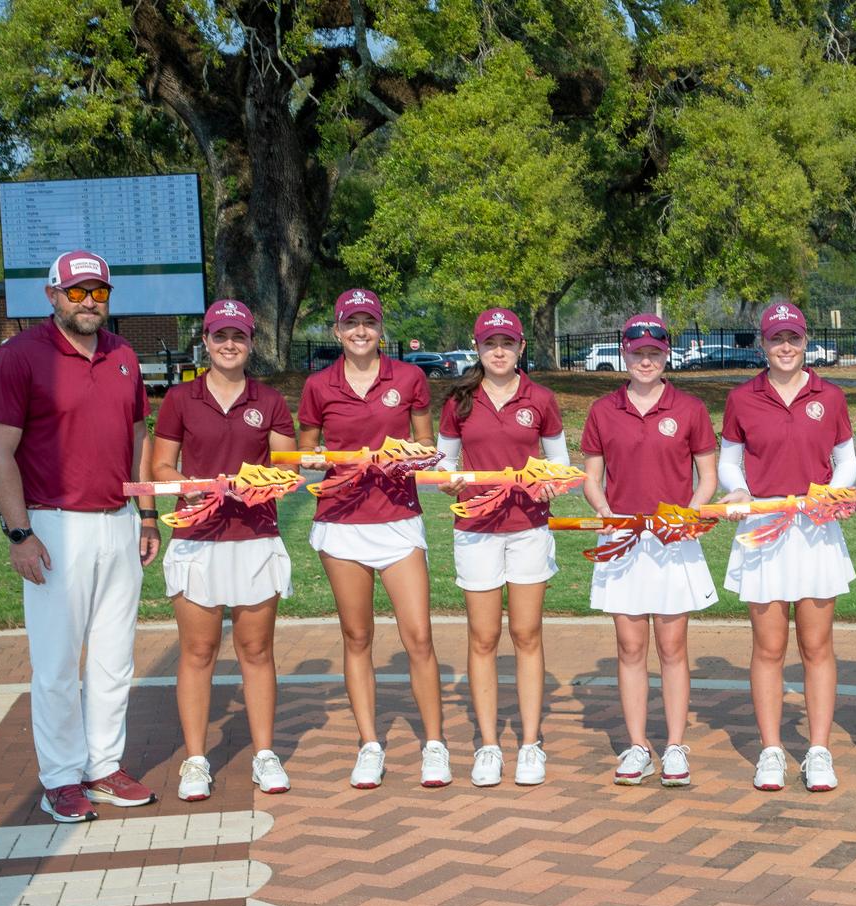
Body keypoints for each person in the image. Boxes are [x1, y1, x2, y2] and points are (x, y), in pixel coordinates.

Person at [0, 250, 161, 823]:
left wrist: (147, 514)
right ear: (52, 295)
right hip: (54, 524)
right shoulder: (19, 356)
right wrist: (19, 533)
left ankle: (102, 766)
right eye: (76, 291)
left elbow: (139, 440)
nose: (88, 302)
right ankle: (60, 777)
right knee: (57, 664)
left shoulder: (123, 355)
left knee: (114, 659)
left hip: (119, 521)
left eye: (98, 292)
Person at [297, 288, 450, 790]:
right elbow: (307, 448)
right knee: (357, 637)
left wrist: (410, 454)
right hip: (341, 521)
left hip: (397, 519)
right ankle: (369, 744)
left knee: (418, 636)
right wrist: (314, 458)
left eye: (368, 322)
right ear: (337, 331)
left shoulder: (408, 378)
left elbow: (426, 442)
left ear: (380, 329)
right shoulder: (318, 385)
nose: (360, 331)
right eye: (351, 323)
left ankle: (434, 744)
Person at [152, 300, 298, 801]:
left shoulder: (269, 400)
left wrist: (263, 483)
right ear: (206, 341)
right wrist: (188, 487)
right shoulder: (180, 398)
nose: (229, 344)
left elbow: (288, 468)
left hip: (255, 537)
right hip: (198, 537)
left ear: (251, 342)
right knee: (198, 651)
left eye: (238, 336)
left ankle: (264, 754)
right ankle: (196, 759)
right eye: (220, 336)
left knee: (256, 651)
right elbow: (161, 467)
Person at [718, 302, 856, 793]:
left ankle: (818, 750)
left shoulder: (830, 396)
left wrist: (833, 492)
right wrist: (738, 490)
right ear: (763, 343)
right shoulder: (742, 398)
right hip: (764, 527)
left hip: (816, 529)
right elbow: (729, 462)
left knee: (816, 646)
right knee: (769, 646)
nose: (785, 347)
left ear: (805, 341)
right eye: (776, 338)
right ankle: (772, 750)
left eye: (793, 338)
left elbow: (845, 459)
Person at [580, 314, 718, 786]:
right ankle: (638, 745)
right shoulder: (603, 410)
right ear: (624, 352)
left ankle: (675, 745)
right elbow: (592, 479)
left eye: (654, 353)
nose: (645, 361)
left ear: (666, 355)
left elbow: (708, 477)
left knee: (672, 646)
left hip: (672, 540)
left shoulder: (690, 409)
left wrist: (688, 515)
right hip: (623, 539)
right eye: (637, 352)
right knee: (630, 645)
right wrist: (605, 511)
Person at [437, 308, 567, 787]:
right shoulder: (459, 400)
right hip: (476, 528)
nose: (498, 352)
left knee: (527, 634)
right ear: (477, 347)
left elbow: (559, 463)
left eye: (507, 343)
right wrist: (448, 481)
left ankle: (530, 744)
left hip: (528, 526)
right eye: (490, 343)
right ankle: (489, 745)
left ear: (520, 347)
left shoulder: (541, 398)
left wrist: (552, 484)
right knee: (483, 637)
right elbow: (444, 462)